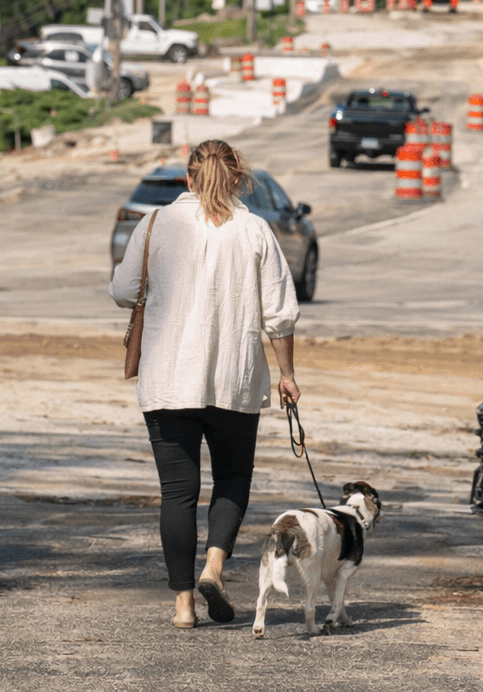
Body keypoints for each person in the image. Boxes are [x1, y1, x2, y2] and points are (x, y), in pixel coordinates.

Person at [108, 139, 300, 629]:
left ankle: (183, 606)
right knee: (232, 478)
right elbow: (279, 316)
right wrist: (287, 374)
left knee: (178, 492)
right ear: (237, 178)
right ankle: (213, 567)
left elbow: (122, 291)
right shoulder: (256, 230)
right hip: (234, 382)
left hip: (169, 381)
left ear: (188, 179)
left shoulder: (154, 225)